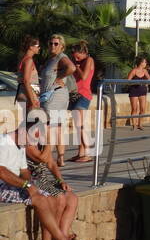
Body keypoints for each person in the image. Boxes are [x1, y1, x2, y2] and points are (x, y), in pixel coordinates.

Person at [0, 124, 77, 240]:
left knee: (51, 197)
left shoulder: (21, 143)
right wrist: (26, 185)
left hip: (15, 182)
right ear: (23, 131)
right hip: (3, 185)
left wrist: (31, 186)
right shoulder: (3, 142)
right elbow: (2, 172)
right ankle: (61, 239)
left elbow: (24, 170)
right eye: (32, 140)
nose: (32, 144)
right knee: (40, 200)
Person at [23, 116, 86, 240]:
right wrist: (49, 143)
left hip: (44, 180)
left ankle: (62, 238)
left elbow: (51, 164)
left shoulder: (41, 140)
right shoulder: (26, 141)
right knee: (59, 198)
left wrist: (60, 180)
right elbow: (42, 159)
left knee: (72, 198)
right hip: (31, 182)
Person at [39, 34, 75, 165]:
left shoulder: (61, 57)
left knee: (51, 126)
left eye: (56, 44)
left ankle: (46, 156)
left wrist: (59, 77)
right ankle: (60, 158)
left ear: (62, 47)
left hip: (54, 96)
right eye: (50, 43)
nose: (52, 46)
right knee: (58, 127)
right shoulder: (51, 59)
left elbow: (71, 68)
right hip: (56, 95)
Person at [68, 41, 95, 162]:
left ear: (83, 52)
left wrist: (77, 68)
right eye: (73, 54)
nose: (75, 57)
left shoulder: (89, 60)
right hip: (75, 94)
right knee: (77, 125)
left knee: (80, 125)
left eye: (77, 54)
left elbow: (84, 76)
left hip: (84, 95)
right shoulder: (77, 61)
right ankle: (81, 153)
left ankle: (88, 152)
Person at [14, 35, 40, 111]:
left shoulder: (23, 59)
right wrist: (32, 101)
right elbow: (26, 81)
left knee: (25, 121)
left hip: (22, 93)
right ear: (31, 47)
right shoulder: (29, 60)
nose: (39, 48)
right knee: (35, 121)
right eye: (38, 46)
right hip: (28, 94)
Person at [126, 56, 150, 130]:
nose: (145, 63)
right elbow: (128, 81)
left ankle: (140, 124)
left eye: (146, 62)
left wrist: (146, 83)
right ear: (140, 62)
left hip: (143, 91)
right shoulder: (134, 70)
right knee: (134, 109)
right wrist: (136, 82)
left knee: (143, 109)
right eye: (144, 62)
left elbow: (149, 79)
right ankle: (134, 125)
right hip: (134, 91)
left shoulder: (145, 71)